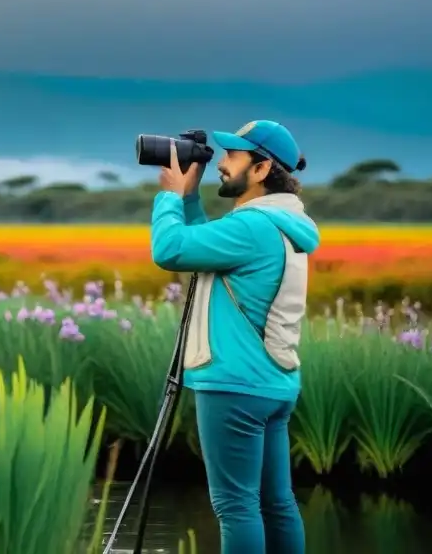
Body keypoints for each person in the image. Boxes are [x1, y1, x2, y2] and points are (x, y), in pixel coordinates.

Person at [149, 120, 320, 554]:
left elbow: (170, 250)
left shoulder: (252, 227)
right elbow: (202, 248)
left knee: (236, 506)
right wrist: (189, 199)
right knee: (275, 503)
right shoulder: (281, 224)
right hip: (272, 384)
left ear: (262, 169)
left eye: (232, 157)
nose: (221, 164)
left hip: (234, 384)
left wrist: (169, 194)